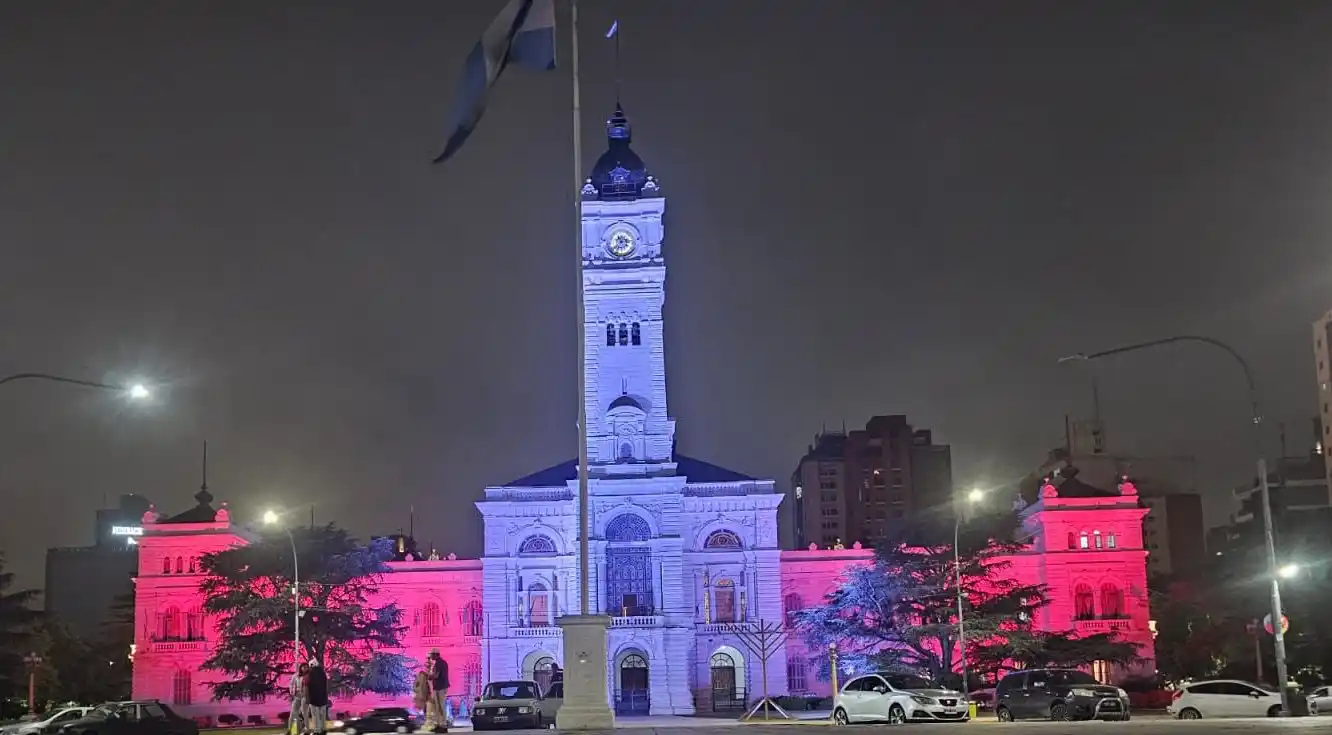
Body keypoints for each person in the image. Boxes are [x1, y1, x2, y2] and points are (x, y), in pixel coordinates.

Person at [426, 650, 449, 732]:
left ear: (436, 655)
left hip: (440, 688)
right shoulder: (439, 663)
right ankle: (439, 724)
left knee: (440, 707)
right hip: (439, 687)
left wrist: (429, 675)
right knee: (438, 707)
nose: (431, 657)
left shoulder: (439, 663)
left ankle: (442, 725)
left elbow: (436, 675)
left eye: (431, 655)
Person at [306, 659, 329, 735]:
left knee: (315, 715)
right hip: (323, 699)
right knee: (322, 715)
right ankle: (323, 729)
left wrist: (308, 699)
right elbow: (325, 686)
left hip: (314, 699)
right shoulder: (323, 673)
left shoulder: (310, 674)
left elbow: (308, 687)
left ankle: (317, 730)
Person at [289, 663, 309, 735]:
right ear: (300, 668)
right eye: (303, 667)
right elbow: (291, 684)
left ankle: (307, 730)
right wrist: (292, 692)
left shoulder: (309, 676)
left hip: (305, 696)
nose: (305, 669)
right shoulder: (296, 675)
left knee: (304, 713)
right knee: (293, 714)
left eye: (306, 667)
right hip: (297, 696)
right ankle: (291, 730)